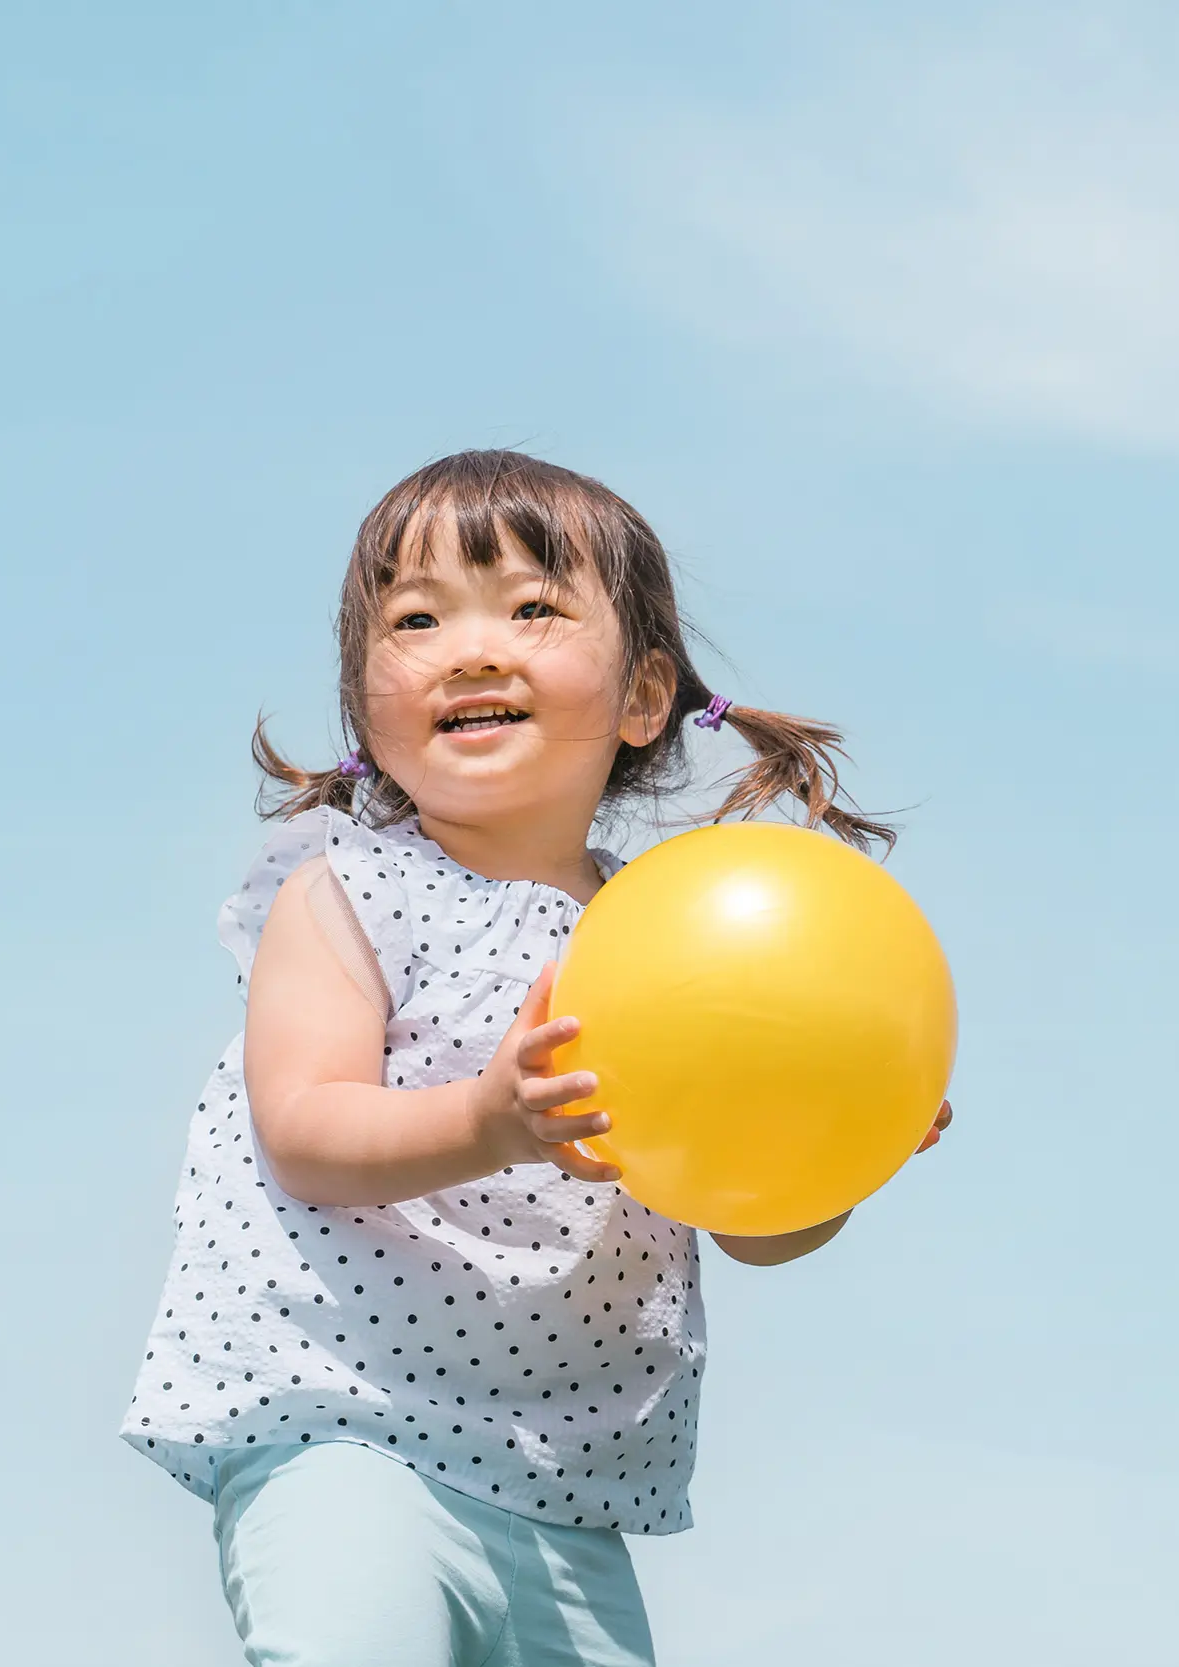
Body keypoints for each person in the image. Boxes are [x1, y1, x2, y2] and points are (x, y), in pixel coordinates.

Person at [121, 450, 951, 1666]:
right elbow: (302, 1127)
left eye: (532, 608)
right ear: (365, 701)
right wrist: (489, 1117)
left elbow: (744, 1217)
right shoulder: (348, 891)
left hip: (564, 1491)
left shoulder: (674, 942)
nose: (471, 647)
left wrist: (839, 1152)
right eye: (416, 618)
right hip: (350, 1426)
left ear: (643, 695)